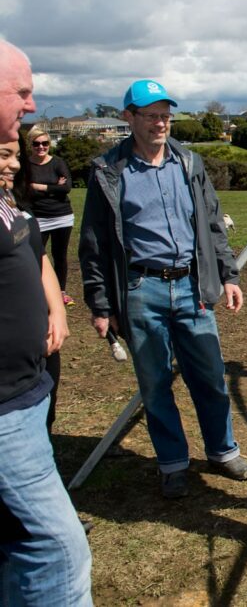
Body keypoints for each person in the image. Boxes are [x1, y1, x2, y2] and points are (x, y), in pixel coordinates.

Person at [78, 79, 247, 499]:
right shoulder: (109, 172)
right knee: (155, 384)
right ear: (129, 118)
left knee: (210, 377)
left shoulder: (189, 163)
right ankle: (172, 463)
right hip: (141, 289)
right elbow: (94, 245)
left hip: (193, 287)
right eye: (151, 116)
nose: (161, 123)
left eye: (165, 115)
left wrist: (228, 275)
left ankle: (222, 450)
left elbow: (213, 224)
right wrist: (102, 304)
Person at [0, 42, 92, 604]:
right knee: (57, 549)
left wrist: (55, 306)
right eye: (22, 91)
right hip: (4, 410)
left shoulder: (5, 200)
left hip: (26, 392)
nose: (32, 105)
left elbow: (28, 252)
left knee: (16, 541)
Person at [18, 127, 75, 306]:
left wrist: (37, 186)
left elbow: (66, 188)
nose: (41, 147)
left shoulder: (58, 162)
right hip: (37, 218)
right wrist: (52, 187)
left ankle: (61, 292)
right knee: (36, 255)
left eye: (45, 143)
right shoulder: (25, 164)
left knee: (60, 256)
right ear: (30, 145)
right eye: (36, 144)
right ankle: (39, 290)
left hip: (61, 216)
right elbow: (22, 191)